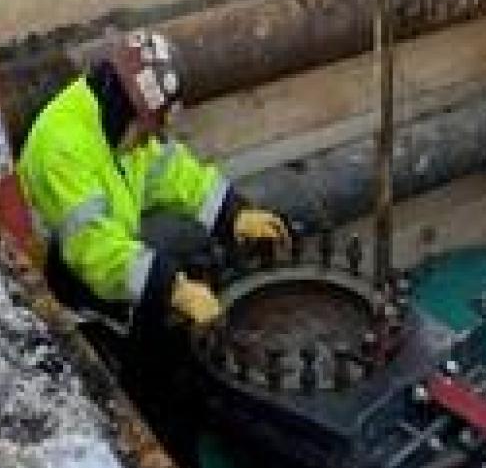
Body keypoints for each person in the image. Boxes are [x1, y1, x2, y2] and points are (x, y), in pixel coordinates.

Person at [18, 29, 291, 329]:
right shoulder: (63, 148)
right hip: (60, 283)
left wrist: (232, 214)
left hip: (106, 259)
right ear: (125, 111)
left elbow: (172, 171)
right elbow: (94, 250)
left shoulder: (117, 122)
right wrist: (173, 289)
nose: (148, 142)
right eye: (146, 132)